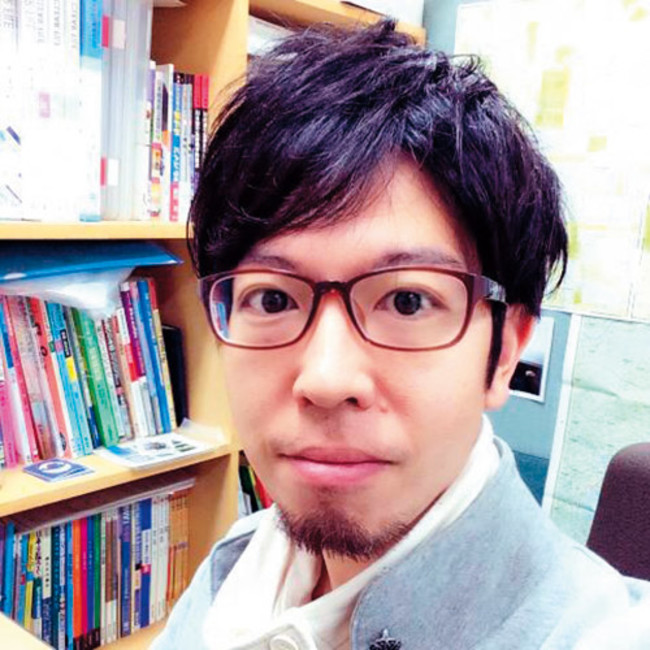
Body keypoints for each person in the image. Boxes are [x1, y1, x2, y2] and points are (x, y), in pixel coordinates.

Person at [153, 20, 650, 650]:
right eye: (272, 298)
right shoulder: (235, 565)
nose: (326, 379)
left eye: (407, 301)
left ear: (505, 351)